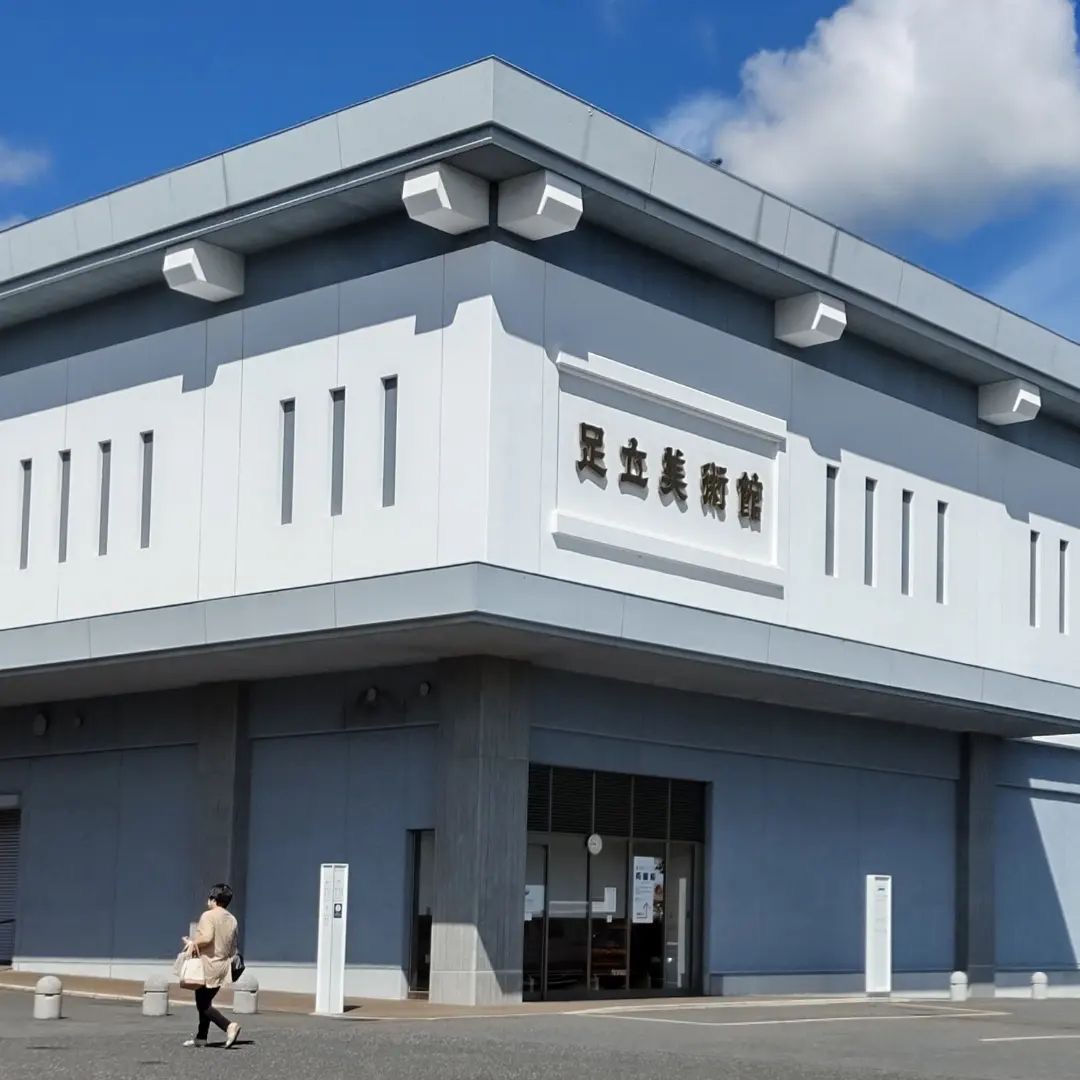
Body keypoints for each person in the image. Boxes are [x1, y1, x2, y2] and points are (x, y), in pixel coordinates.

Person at [181, 883, 241, 1049]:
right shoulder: (232, 919)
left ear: (214, 899)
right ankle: (201, 1037)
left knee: (203, 1004)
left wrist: (192, 942)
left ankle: (229, 1026)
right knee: (204, 1000)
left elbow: (207, 938)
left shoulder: (208, 916)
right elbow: (233, 945)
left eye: (210, 897)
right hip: (223, 965)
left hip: (208, 964)